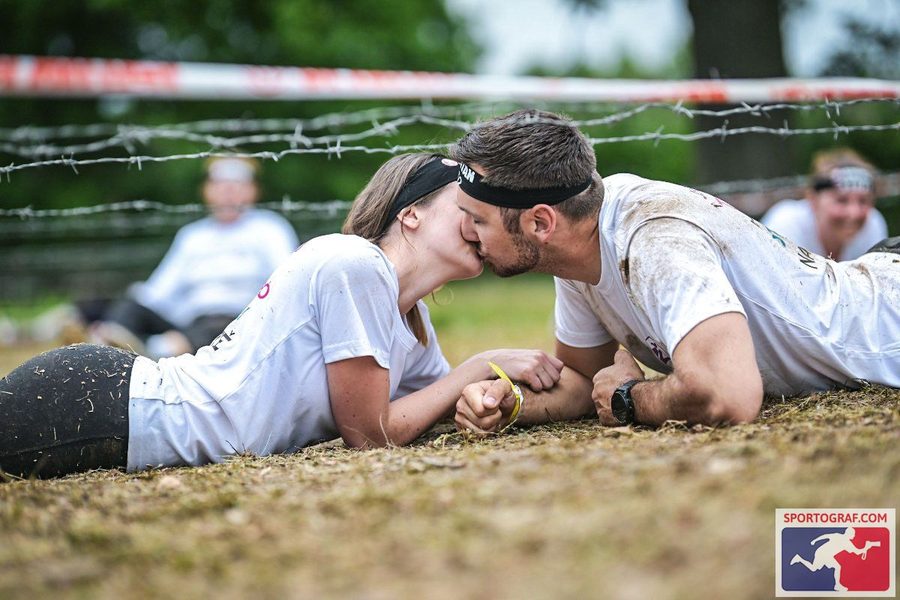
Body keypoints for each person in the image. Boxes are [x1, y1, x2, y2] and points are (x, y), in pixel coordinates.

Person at [0, 153, 563, 478]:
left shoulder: (410, 318)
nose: (481, 221)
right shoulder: (355, 264)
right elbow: (372, 434)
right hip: (107, 408)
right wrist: (477, 368)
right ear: (411, 213)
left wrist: (483, 399)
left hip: (116, 406)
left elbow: (428, 407)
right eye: (466, 208)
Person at [449, 110, 900, 434]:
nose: (465, 232)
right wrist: (510, 402)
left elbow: (729, 395)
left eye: (478, 219)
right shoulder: (577, 244)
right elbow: (587, 380)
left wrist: (631, 400)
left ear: (541, 223)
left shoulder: (654, 237)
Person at [89, 156, 299, 358]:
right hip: (190, 322)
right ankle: (104, 351)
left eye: (237, 186)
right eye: (221, 186)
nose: (228, 193)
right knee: (130, 308)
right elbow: (159, 290)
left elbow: (287, 283)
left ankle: (152, 350)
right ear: (206, 191)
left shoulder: (271, 229)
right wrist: (121, 307)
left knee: (214, 325)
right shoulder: (192, 235)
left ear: (253, 191)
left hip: (243, 323)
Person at [762, 148, 888, 261]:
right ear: (813, 200)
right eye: (842, 200)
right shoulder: (785, 224)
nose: (854, 213)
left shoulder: (873, 224)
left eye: (863, 201)